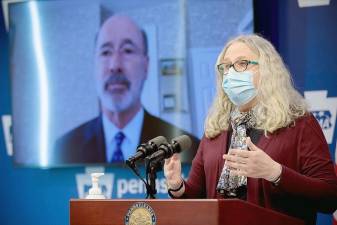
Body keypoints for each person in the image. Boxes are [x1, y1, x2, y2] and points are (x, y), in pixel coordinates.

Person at [164, 34, 337, 225]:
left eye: (242, 63)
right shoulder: (217, 127)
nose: (231, 73)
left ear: (267, 70)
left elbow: (329, 197)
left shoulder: (299, 123)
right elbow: (198, 198)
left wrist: (276, 172)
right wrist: (178, 187)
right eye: (226, 66)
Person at [53, 15, 199, 164]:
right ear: (94, 65)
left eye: (128, 50)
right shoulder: (64, 148)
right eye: (105, 52)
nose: (115, 65)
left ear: (146, 65)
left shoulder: (184, 149)